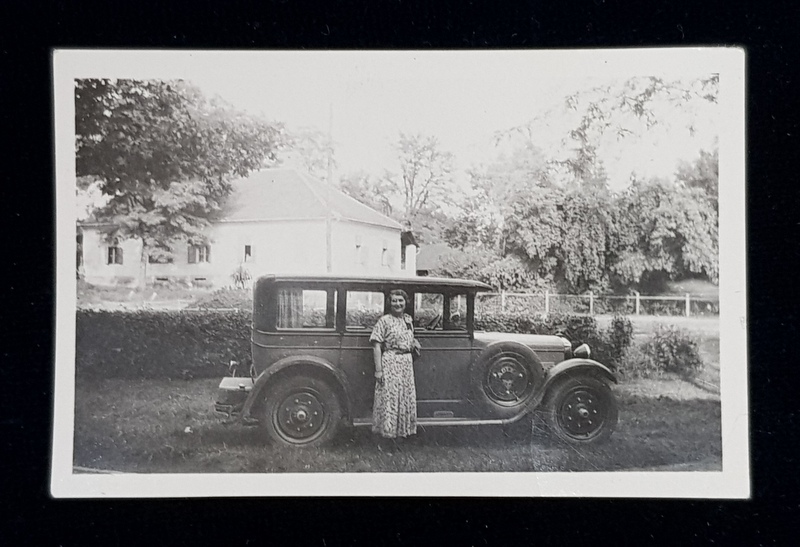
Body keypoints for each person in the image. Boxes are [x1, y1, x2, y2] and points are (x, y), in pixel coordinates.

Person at [369, 289, 420, 438]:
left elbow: (409, 337)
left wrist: (414, 343)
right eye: (394, 301)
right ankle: (388, 434)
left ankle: (402, 433)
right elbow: (376, 345)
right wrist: (378, 370)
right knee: (390, 397)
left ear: (406, 302)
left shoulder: (408, 320)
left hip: (406, 362)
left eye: (401, 300)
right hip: (391, 361)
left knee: (404, 396)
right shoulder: (384, 320)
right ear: (390, 304)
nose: (398, 304)